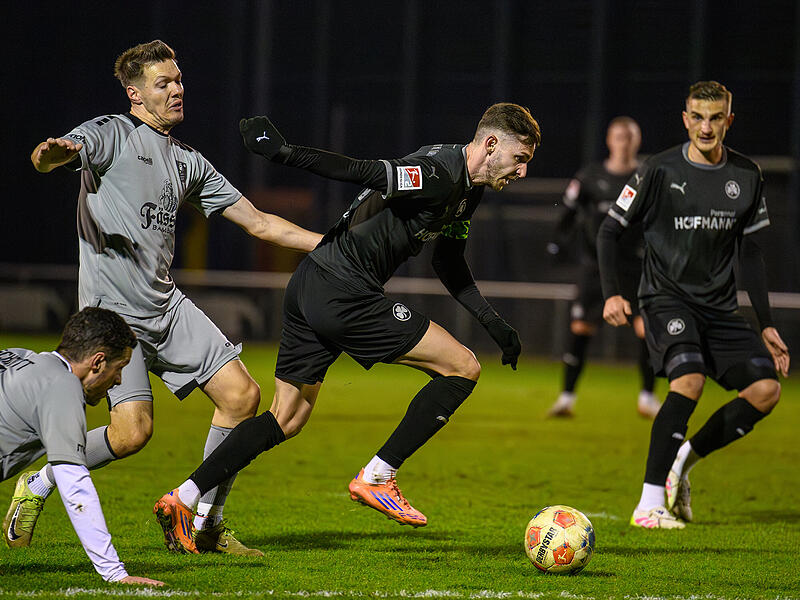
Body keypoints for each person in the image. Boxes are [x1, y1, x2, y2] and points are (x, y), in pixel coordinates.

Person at [151, 102, 541, 553]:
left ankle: (184, 498)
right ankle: (379, 475)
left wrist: (493, 321)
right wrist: (282, 153)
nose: (522, 172)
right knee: (462, 367)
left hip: (310, 282)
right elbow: (363, 171)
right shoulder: (438, 172)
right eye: (520, 159)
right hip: (344, 291)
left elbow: (449, 260)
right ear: (491, 144)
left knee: (287, 418)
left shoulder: (468, 190)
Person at [24, 40, 322, 555]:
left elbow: (259, 222)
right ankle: (41, 480)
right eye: (164, 83)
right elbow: (51, 157)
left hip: (166, 305)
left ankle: (206, 522)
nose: (177, 90)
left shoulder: (188, 161)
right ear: (135, 94)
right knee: (132, 434)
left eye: (179, 80)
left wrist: (335, 246)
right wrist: (50, 156)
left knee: (242, 396)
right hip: (114, 320)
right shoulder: (110, 133)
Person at [598, 81, 790, 529]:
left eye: (715, 117)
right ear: (685, 119)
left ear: (729, 120)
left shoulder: (746, 174)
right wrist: (612, 292)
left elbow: (752, 253)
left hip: (720, 309)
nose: (706, 126)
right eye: (697, 117)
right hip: (665, 299)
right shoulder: (659, 169)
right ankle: (648, 505)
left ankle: (683, 458)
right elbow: (610, 230)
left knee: (766, 390)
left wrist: (765, 324)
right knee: (688, 379)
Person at [1, 308, 162, 586]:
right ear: (98, 362)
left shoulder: (19, 355)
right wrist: (115, 573)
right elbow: (75, 485)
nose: (120, 380)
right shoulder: (62, 388)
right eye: (120, 368)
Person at [547, 117, 660, 419]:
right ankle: (566, 398)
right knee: (581, 328)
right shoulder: (589, 176)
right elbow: (568, 214)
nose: (623, 141)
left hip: (634, 267)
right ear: (609, 140)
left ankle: (647, 397)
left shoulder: (646, 175)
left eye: (629, 136)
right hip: (594, 267)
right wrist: (557, 243)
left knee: (646, 328)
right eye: (618, 136)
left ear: (637, 141)